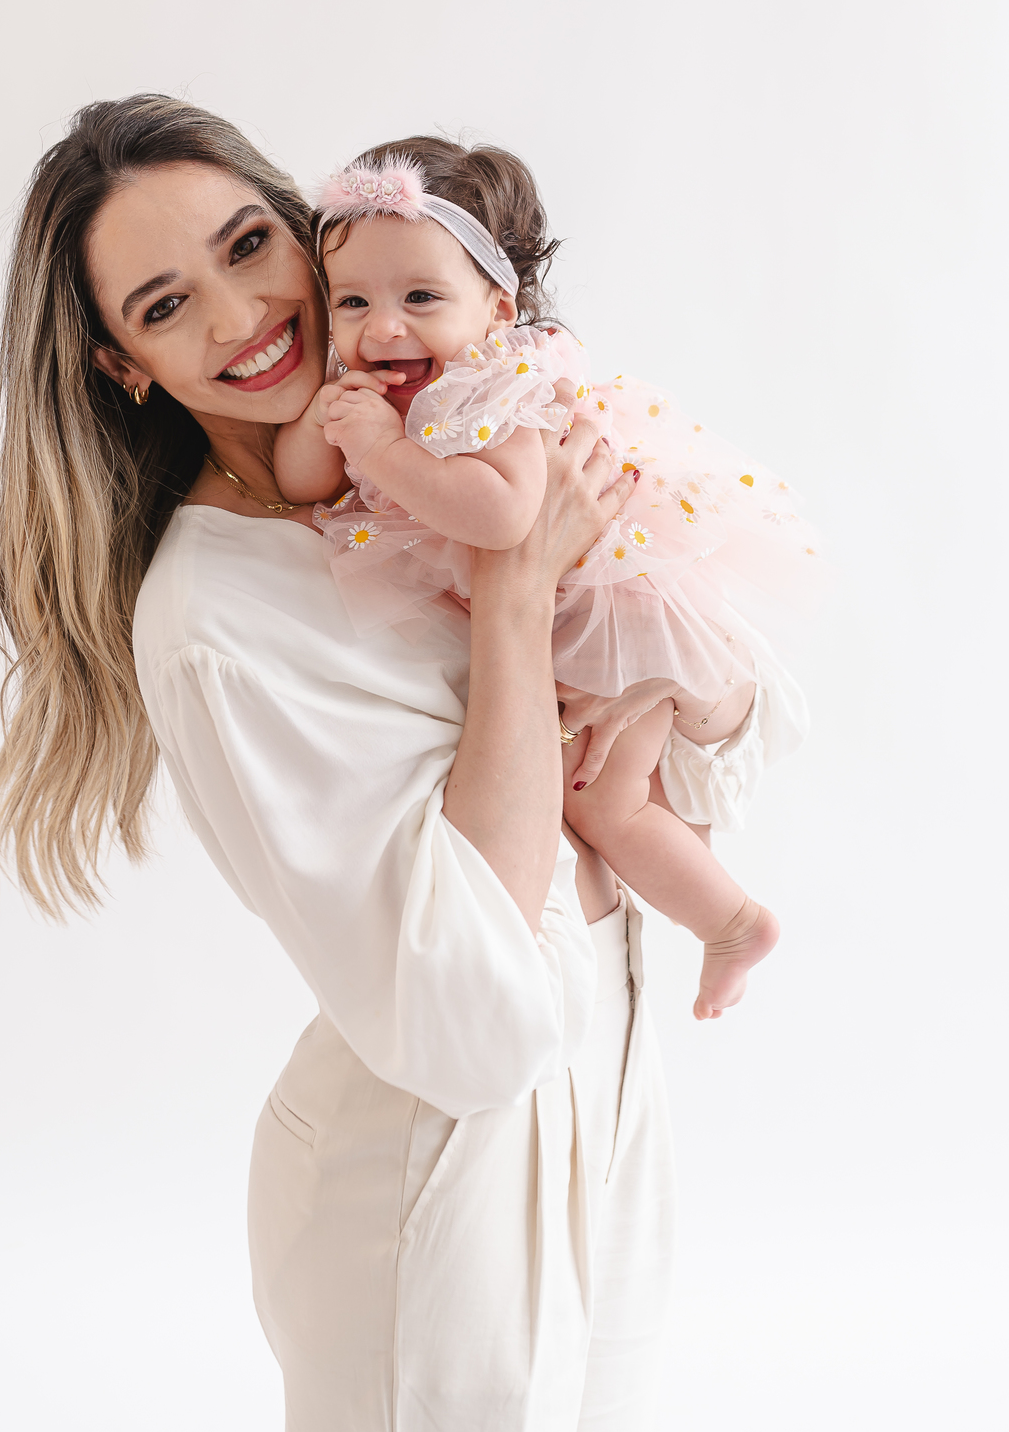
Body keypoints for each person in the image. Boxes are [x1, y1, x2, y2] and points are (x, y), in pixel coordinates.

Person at [0, 95, 795, 1432]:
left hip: (610, 1084)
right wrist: (519, 594)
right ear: (124, 364)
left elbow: (731, 739)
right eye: (168, 304)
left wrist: (666, 675)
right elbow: (466, 1011)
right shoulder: (216, 618)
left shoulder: (410, 466)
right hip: (441, 1174)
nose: (244, 315)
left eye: (250, 244)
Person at [274, 138, 817, 1020]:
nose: (385, 328)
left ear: (496, 308)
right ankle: (677, 920)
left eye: (421, 298)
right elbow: (302, 480)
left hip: (615, 617)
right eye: (354, 301)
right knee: (600, 799)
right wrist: (322, 416)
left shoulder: (497, 394)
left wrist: (381, 448)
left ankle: (733, 923)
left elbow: (503, 516)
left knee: (602, 806)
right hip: (556, 633)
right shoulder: (373, 388)